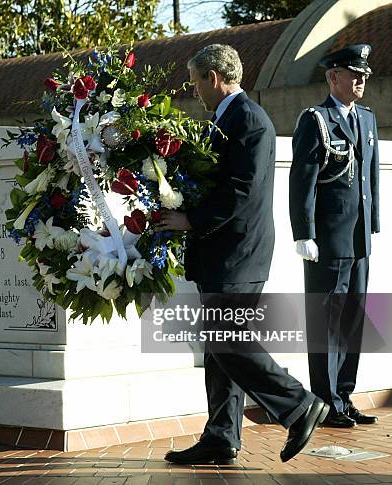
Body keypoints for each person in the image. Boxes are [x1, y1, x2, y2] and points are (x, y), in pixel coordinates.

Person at [156, 44, 327, 465]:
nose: (194, 88)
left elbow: (241, 191)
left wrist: (190, 220)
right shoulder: (223, 118)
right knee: (218, 350)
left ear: (214, 77)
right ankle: (221, 437)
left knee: (227, 340)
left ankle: (298, 404)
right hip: (223, 252)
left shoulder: (249, 120)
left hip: (238, 253)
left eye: (196, 80)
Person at [289, 45, 379, 428]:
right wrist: (303, 233)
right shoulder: (316, 120)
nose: (360, 81)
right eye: (353, 74)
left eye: (364, 75)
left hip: (358, 240)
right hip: (327, 239)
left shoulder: (367, 119)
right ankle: (325, 404)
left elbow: (370, 178)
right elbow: (302, 181)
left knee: (353, 319)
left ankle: (344, 395)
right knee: (326, 321)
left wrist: (372, 223)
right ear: (332, 77)